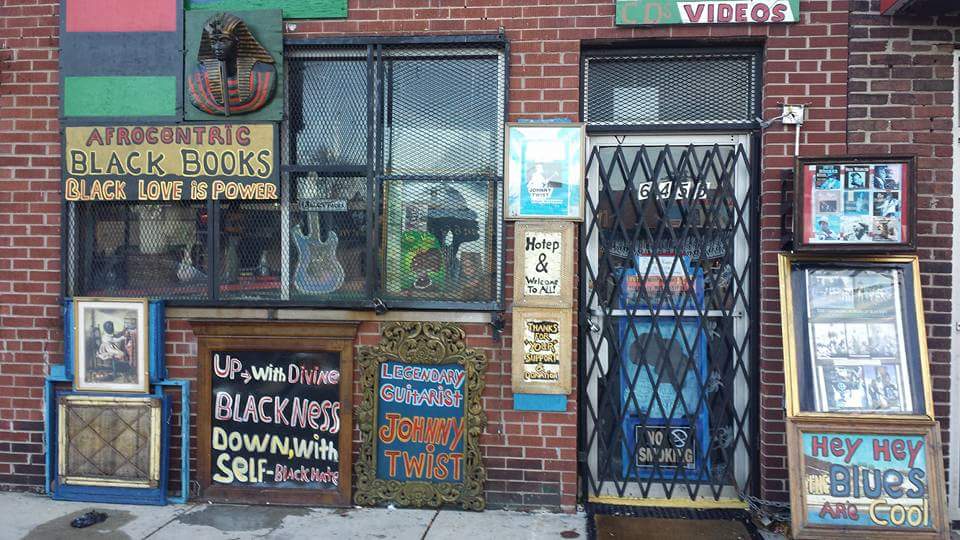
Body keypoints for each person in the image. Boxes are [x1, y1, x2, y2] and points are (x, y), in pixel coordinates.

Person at [187, 13, 276, 116]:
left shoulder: (264, 72)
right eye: (213, 41)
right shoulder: (198, 74)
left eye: (224, 40)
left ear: (238, 41)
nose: (218, 47)